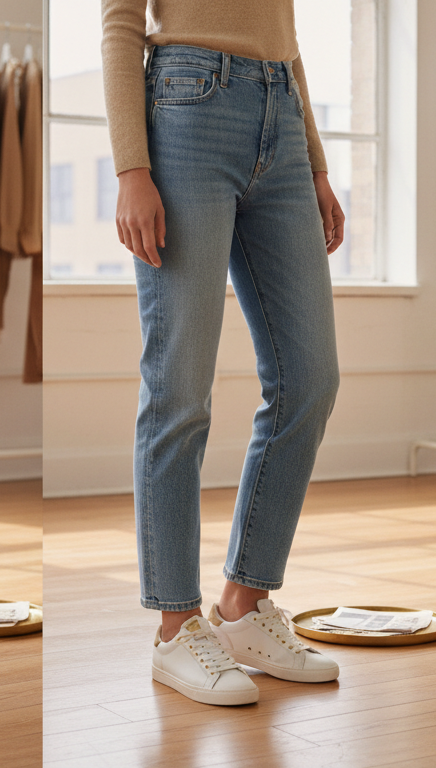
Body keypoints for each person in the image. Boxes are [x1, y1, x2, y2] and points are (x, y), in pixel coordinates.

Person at [102, 0, 345, 706]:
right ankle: (176, 625)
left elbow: (282, 30)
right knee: (179, 386)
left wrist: (317, 162)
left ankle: (242, 605)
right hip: (186, 106)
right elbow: (121, 19)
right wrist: (129, 168)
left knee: (311, 378)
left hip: (282, 108)